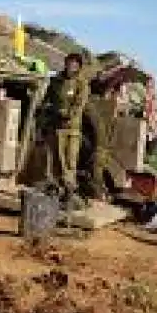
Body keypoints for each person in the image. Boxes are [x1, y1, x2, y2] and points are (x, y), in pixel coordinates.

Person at [40, 51, 91, 202]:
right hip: (55, 127)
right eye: (70, 62)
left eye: (75, 63)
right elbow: (47, 99)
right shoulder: (56, 80)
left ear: (79, 66)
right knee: (56, 158)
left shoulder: (82, 83)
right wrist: (46, 111)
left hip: (72, 129)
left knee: (70, 160)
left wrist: (66, 113)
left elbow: (79, 105)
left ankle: (69, 189)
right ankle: (56, 188)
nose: (72, 65)